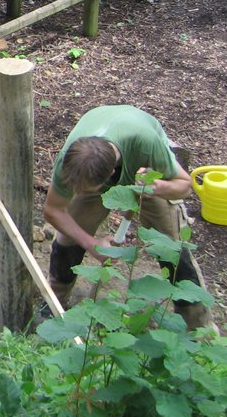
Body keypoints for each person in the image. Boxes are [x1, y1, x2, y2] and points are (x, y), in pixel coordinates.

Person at [42, 104, 216, 332]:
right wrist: (91, 244)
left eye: (86, 190)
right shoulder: (71, 161)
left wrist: (157, 187)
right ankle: (54, 304)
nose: (79, 193)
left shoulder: (146, 145)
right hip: (100, 160)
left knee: (171, 248)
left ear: (111, 175)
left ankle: (198, 327)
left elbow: (184, 187)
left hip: (148, 176)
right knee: (68, 238)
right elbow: (53, 210)